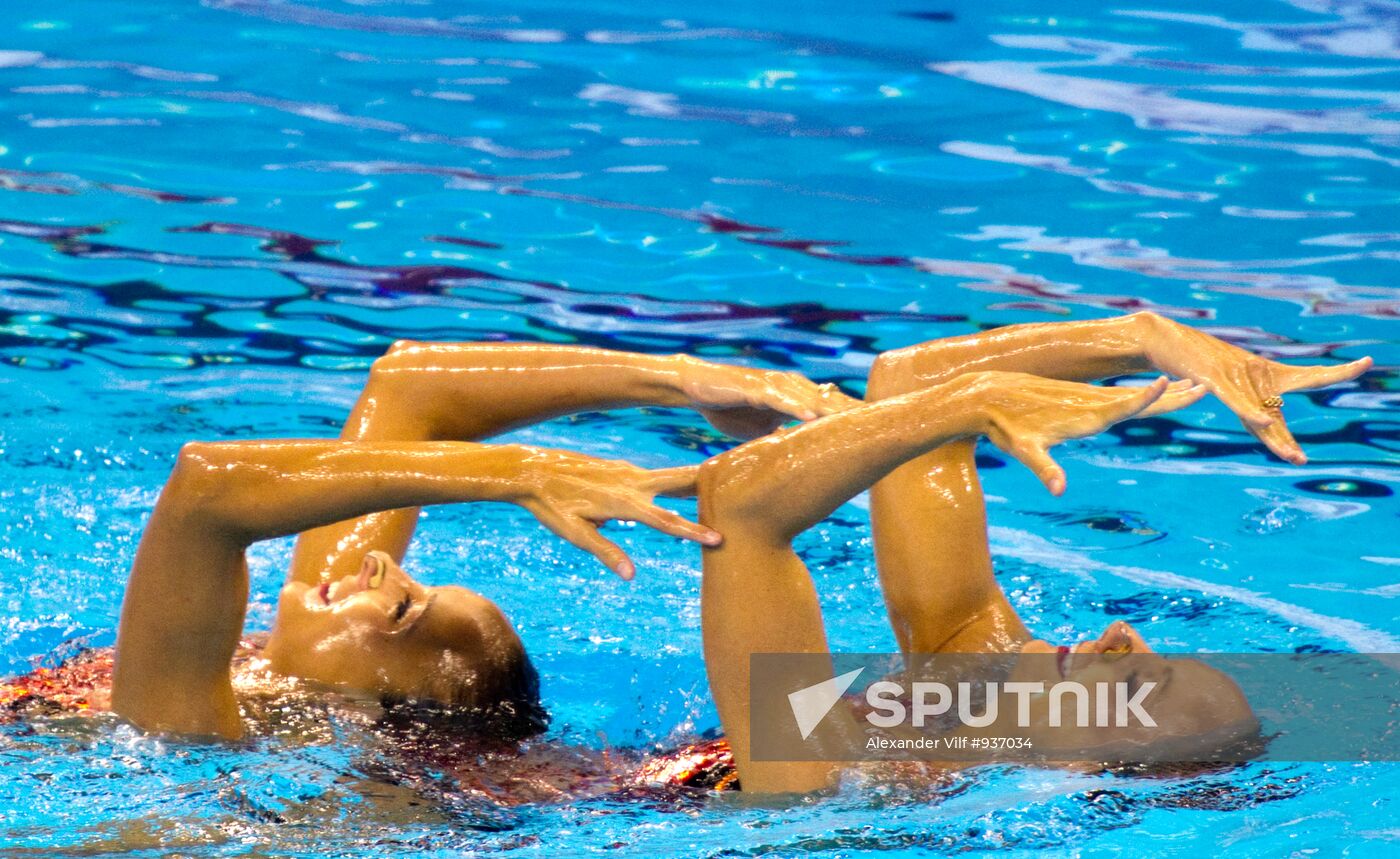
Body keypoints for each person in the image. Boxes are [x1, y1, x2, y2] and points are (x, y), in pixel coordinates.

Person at [697, 311, 1372, 793]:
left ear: (1072, 772)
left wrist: (979, 400)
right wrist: (1149, 338)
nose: (1123, 637)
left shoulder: (827, 783)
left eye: (1135, 684)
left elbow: (737, 506)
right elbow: (908, 380)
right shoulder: (970, 669)